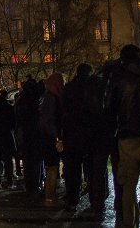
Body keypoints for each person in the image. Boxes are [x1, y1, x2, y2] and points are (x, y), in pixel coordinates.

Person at [111, 53, 140, 228]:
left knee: (128, 185)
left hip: (126, 136)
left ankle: (129, 223)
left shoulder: (120, 80)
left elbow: (110, 108)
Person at [62, 63, 95, 211]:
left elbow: (63, 111)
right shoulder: (92, 88)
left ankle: (72, 200)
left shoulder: (69, 88)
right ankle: (95, 202)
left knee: (72, 171)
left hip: (72, 134)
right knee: (92, 170)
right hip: (89, 134)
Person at [38, 73, 64, 207]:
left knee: (50, 167)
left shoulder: (45, 97)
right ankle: (50, 197)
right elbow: (49, 121)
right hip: (50, 138)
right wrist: (57, 137)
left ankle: (49, 195)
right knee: (52, 167)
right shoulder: (52, 98)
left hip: (44, 137)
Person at [17, 76, 43, 196]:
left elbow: (17, 117)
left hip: (26, 132)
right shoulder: (38, 99)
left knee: (28, 160)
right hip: (37, 132)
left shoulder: (21, 100)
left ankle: (29, 185)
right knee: (36, 160)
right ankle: (36, 184)